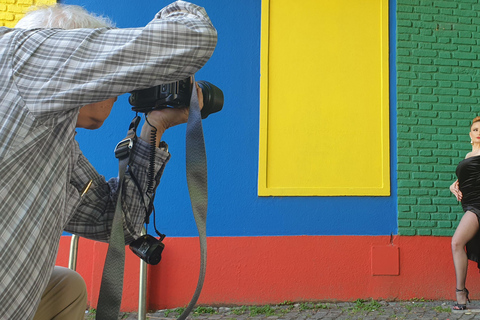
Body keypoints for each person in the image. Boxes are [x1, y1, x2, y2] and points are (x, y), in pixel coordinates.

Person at [0, 1, 217, 319]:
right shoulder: (24, 55)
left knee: (65, 287)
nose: (117, 87)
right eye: (104, 68)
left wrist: (153, 128)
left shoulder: (59, 146)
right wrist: (180, 11)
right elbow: (194, 37)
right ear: (67, 57)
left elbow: (117, 221)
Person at [450, 116, 480, 311]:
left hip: (478, 204)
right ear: (470, 135)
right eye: (475, 129)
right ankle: (462, 292)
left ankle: (460, 293)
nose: (479, 132)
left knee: (457, 242)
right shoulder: (469, 155)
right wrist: (453, 186)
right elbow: (465, 178)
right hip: (469, 204)